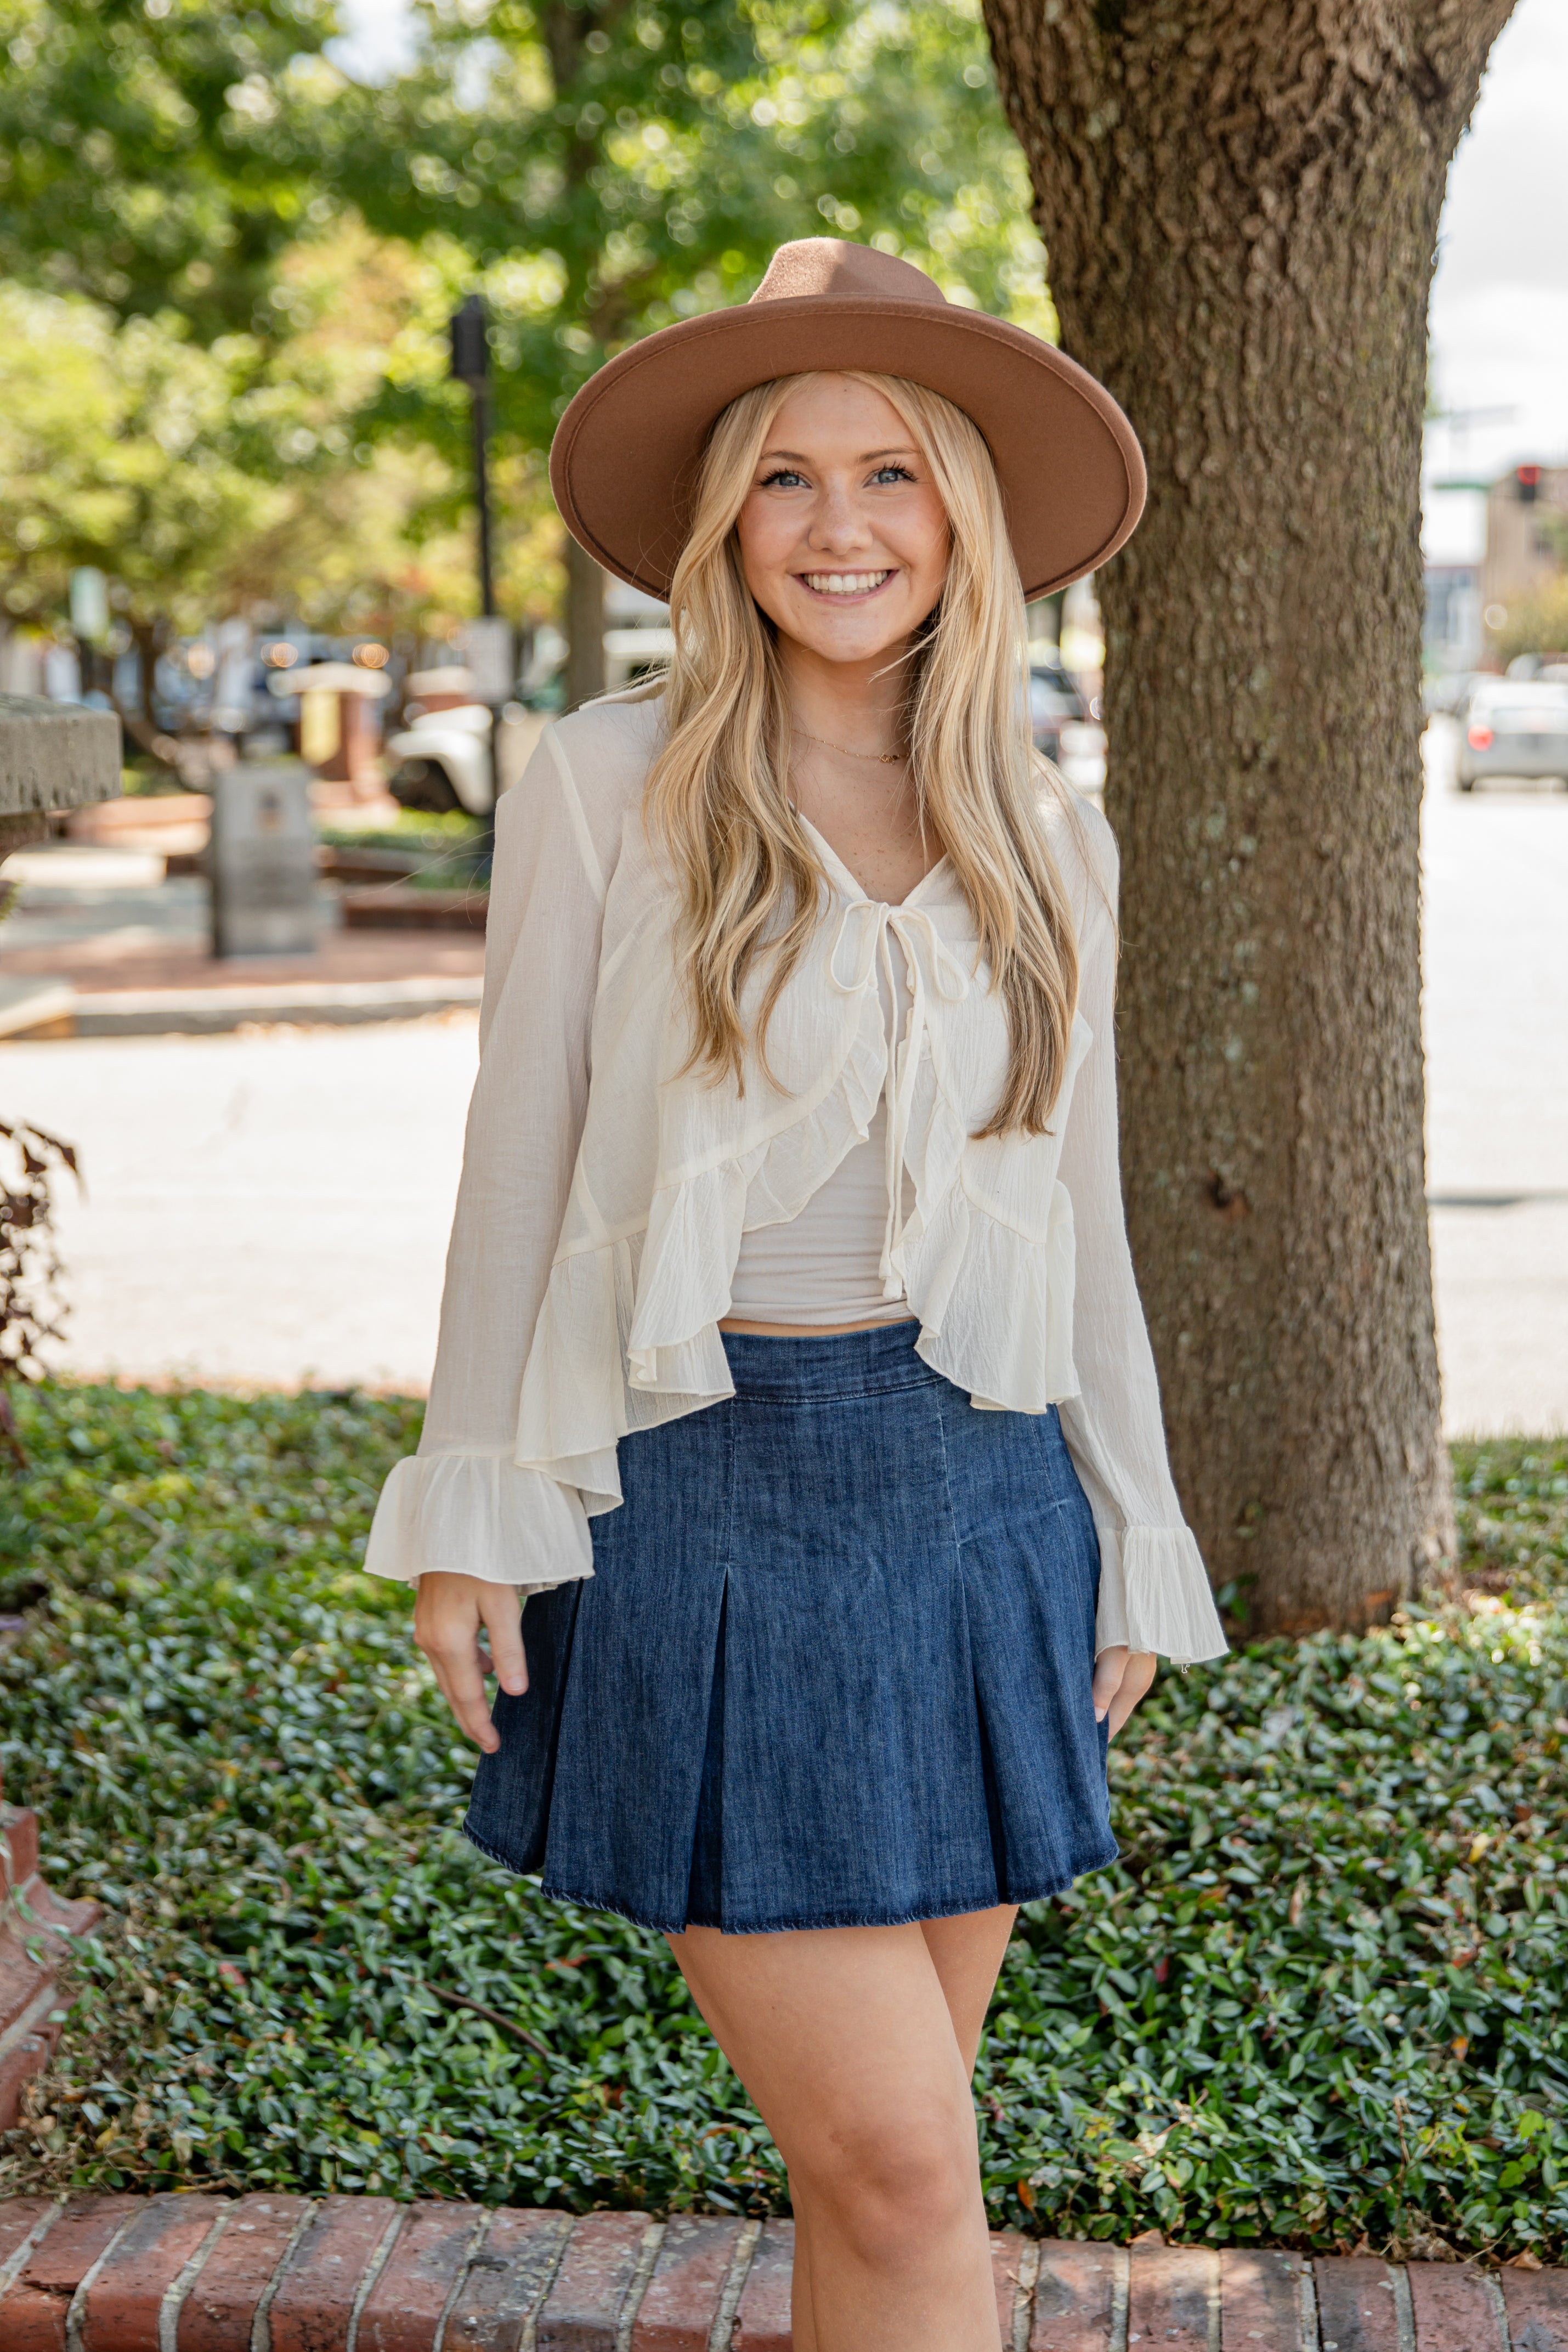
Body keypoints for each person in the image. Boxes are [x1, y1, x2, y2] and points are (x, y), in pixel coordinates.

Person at [366, 238, 1227, 2352]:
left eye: (890, 474)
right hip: (698, 1502)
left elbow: (1082, 1222)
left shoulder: (1052, 839)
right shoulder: (602, 780)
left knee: (879, 2189)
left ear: (963, 518)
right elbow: (520, 1164)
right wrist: (472, 1511)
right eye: (782, 478)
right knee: (910, 2174)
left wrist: (1134, 1532)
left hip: (979, 1507)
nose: (837, 527)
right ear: (721, 520)